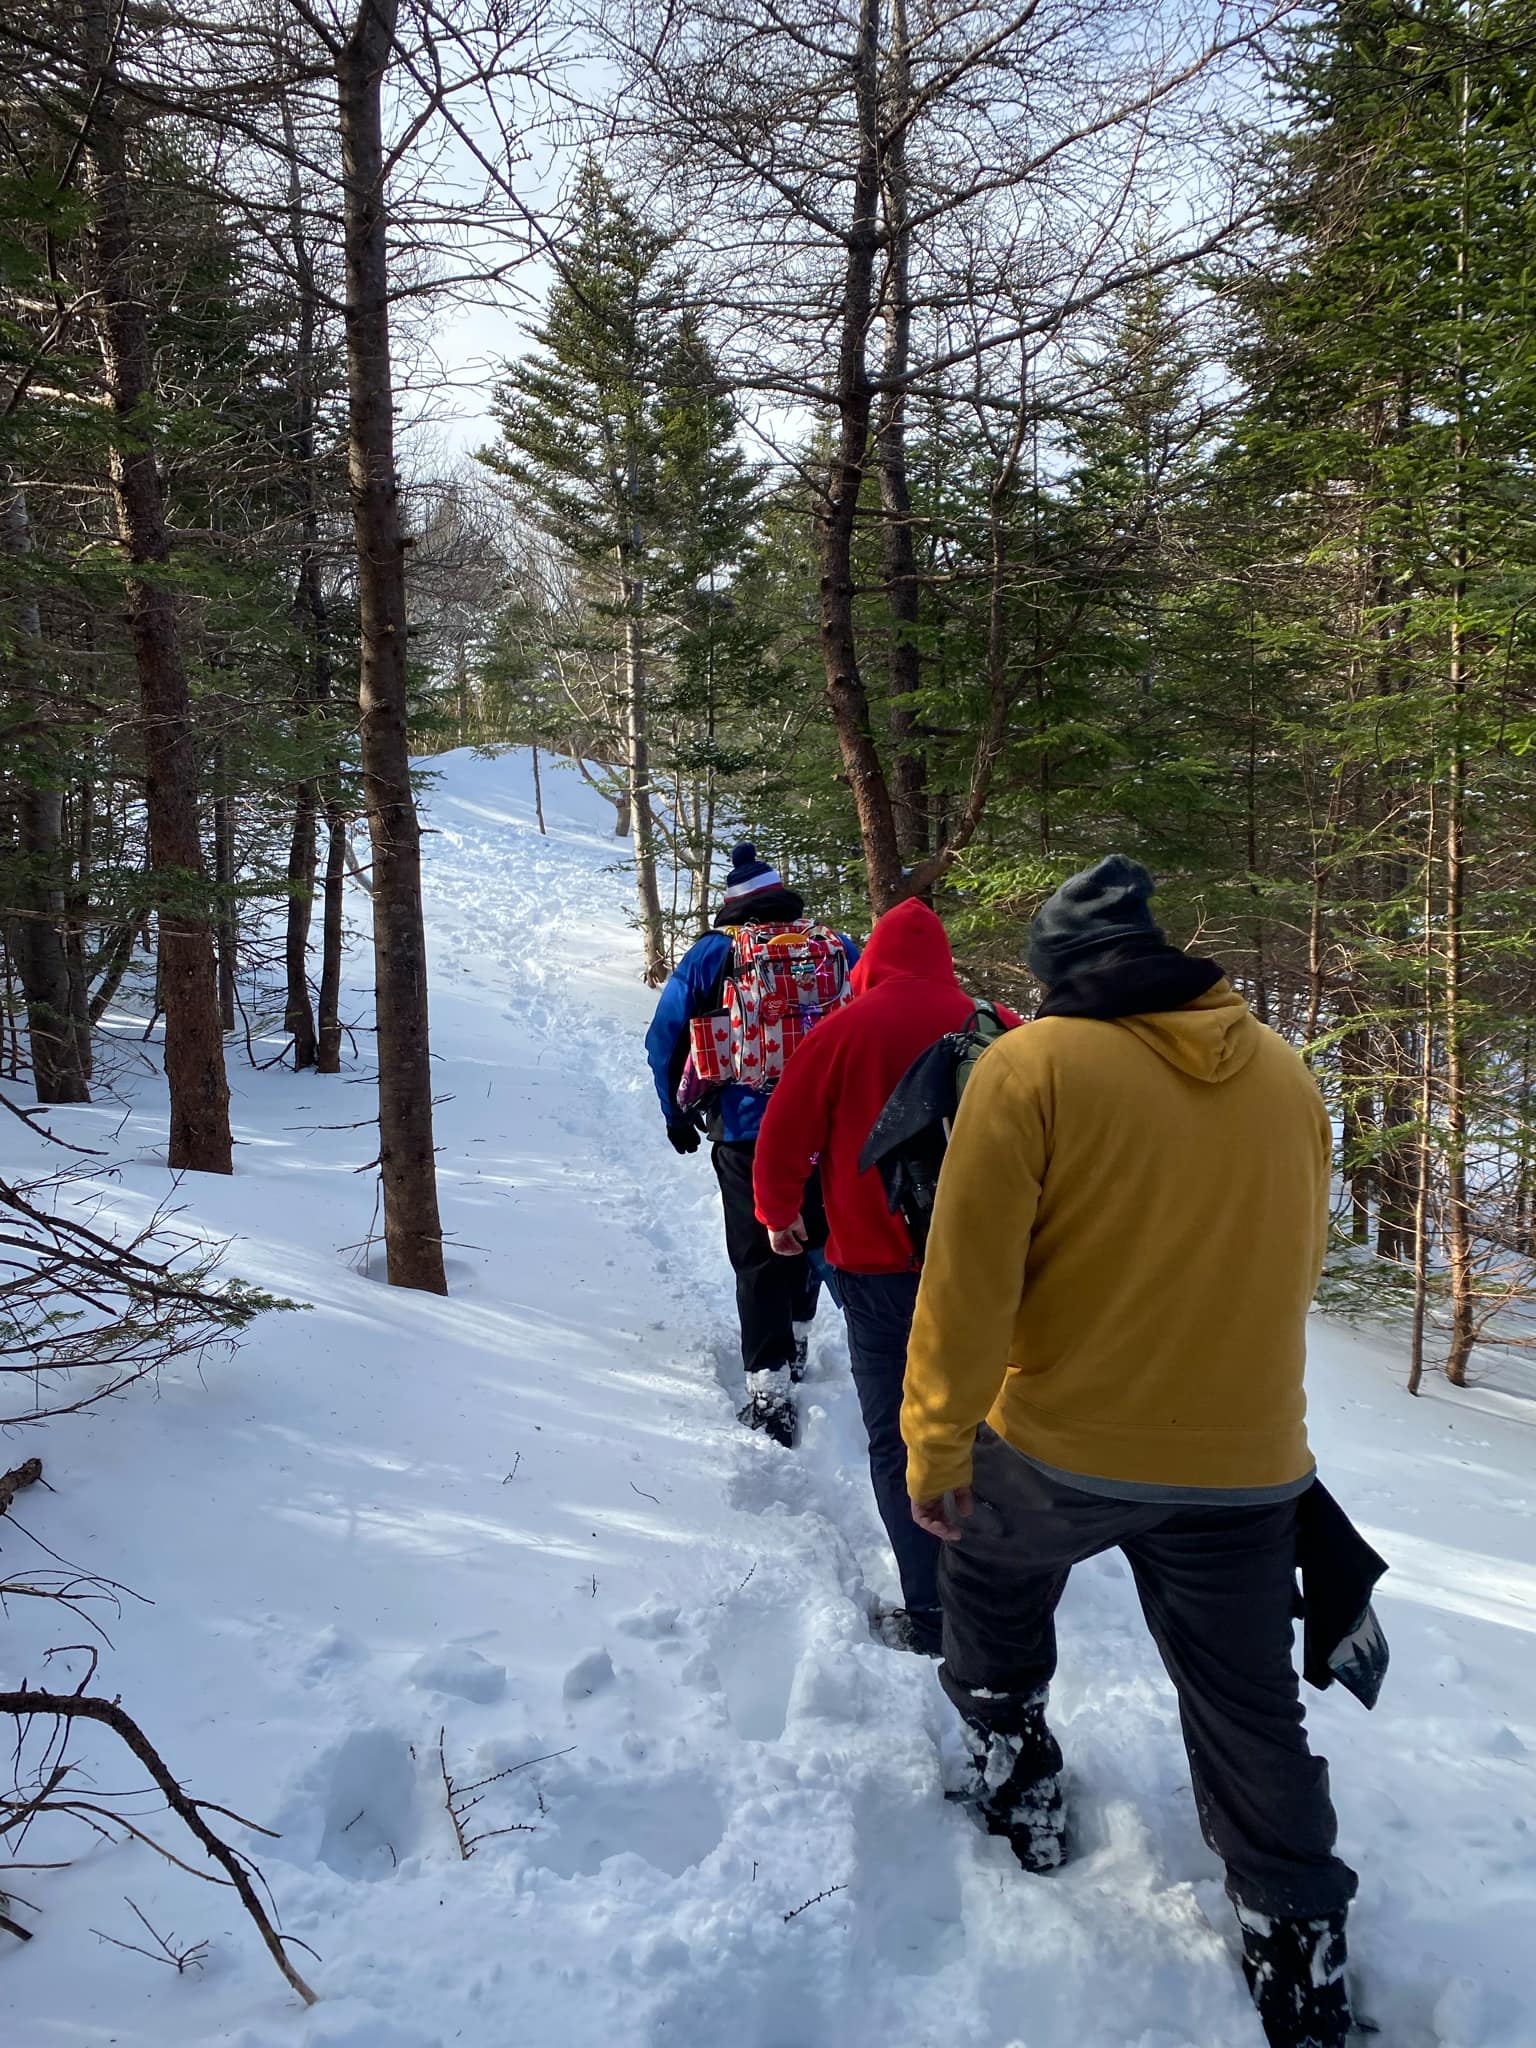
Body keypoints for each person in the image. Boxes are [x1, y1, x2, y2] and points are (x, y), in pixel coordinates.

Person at [900, 855, 1359, 2048]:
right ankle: (1296, 1933)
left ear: (1059, 976)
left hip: (1060, 1440)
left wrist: (937, 1439)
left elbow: (968, 1277)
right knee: (1248, 1704)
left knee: (988, 1574)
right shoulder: (1285, 1073)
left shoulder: (1030, 1064)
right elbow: (1296, 1267)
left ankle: (1012, 1757)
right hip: (1249, 1457)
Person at [752, 898, 1019, 1657]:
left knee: (898, 1434)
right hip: (987, 1270)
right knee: (987, 1425)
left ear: (874, 962)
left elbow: (785, 1132)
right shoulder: (994, 1022)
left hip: (876, 1267)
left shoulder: (844, 1028)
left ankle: (933, 1613)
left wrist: (778, 1212)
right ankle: (1001, 1589)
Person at [645, 843, 859, 1445]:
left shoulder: (715, 952)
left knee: (759, 1251)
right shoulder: (837, 945)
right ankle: (797, 1342)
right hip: (830, 1126)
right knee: (815, 1235)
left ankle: (769, 1393)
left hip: (747, 1127)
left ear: (734, 907)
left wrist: (676, 1112)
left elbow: (664, 1036)